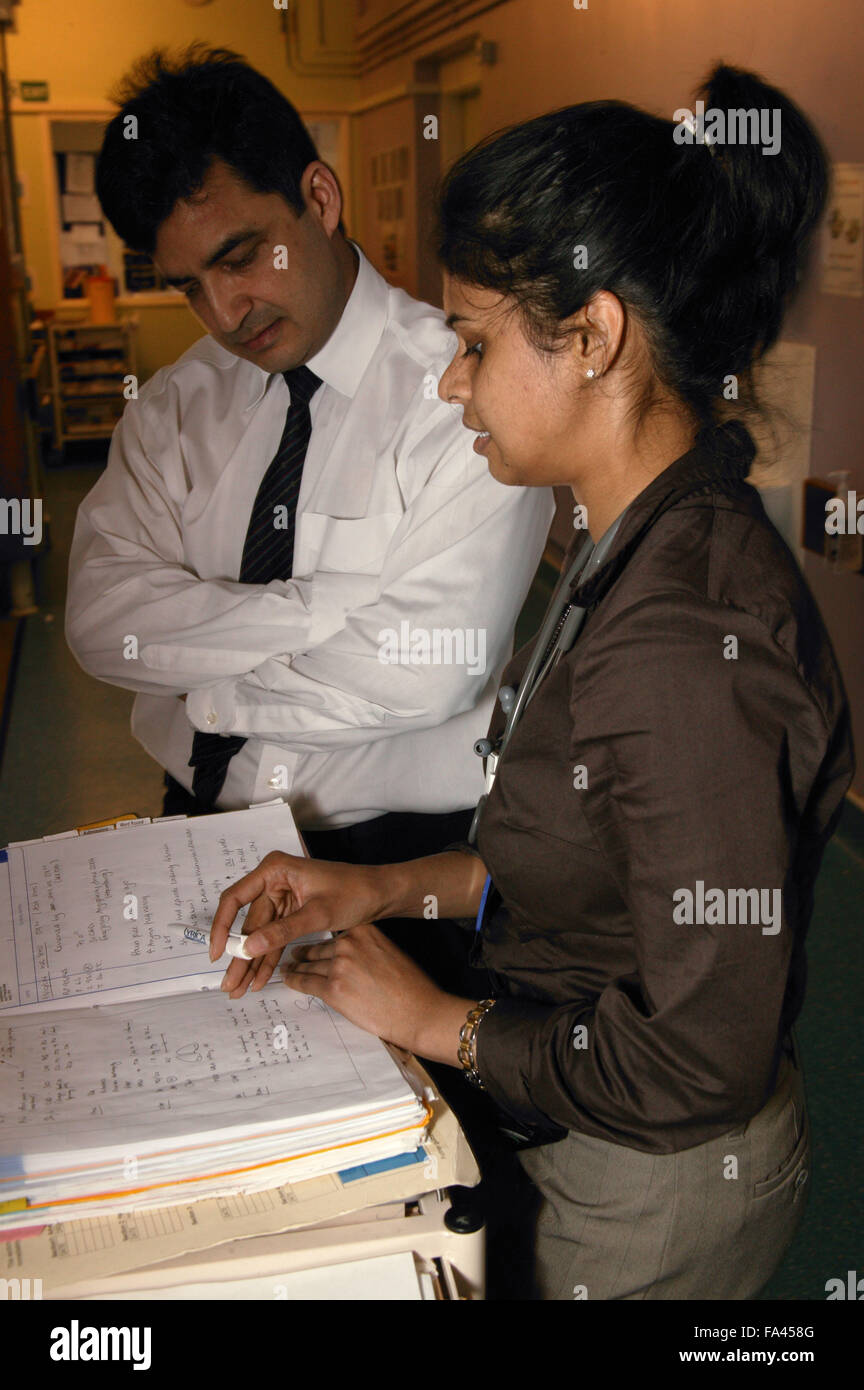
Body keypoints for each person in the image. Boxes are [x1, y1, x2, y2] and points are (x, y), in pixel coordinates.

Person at [208, 62, 855, 1299]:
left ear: (596, 334)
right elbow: (585, 850)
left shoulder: (683, 639)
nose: (452, 382)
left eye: (473, 341)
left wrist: (429, 1020)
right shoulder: (622, 535)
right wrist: (381, 884)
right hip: (574, 1114)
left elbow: (699, 1058)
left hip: (651, 1182)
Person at [64, 45, 552, 995]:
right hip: (193, 833)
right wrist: (325, 608)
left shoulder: (462, 396)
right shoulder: (174, 406)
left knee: (407, 1139)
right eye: (185, 285)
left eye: (240, 257)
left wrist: (197, 683)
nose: (223, 310)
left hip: (393, 871)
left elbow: (425, 670)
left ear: (319, 198)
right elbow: (99, 621)